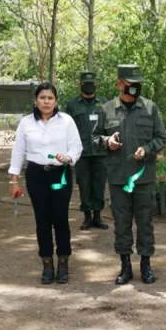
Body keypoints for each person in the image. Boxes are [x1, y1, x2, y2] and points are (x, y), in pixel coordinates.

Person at [92, 64, 166, 285]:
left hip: (144, 178)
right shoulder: (107, 110)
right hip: (118, 177)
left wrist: (147, 148)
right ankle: (125, 266)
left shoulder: (150, 108)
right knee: (121, 222)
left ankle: (146, 265)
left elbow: (161, 138)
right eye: (131, 84)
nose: (135, 88)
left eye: (138, 84)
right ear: (120, 84)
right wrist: (108, 142)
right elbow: (95, 139)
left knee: (145, 222)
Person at [9, 82, 82, 284]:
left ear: (55, 100)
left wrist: (68, 157)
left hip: (60, 175)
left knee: (60, 218)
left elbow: (77, 146)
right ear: (36, 100)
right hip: (36, 176)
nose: (46, 102)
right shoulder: (26, 123)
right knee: (42, 220)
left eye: (50, 98)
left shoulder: (66, 121)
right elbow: (18, 152)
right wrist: (13, 180)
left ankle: (64, 262)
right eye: (42, 98)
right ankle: (47, 263)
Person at [64, 72, 109, 231]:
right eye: (85, 82)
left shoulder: (104, 103)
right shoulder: (72, 105)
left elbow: (110, 127)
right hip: (81, 153)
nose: (88, 85)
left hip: (101, 152)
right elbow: (66, 129)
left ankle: (97, 216)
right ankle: (87, 217)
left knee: (99, 184)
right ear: (80, 84)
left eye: (91, 82)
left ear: (96, 84)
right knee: (83, 184)